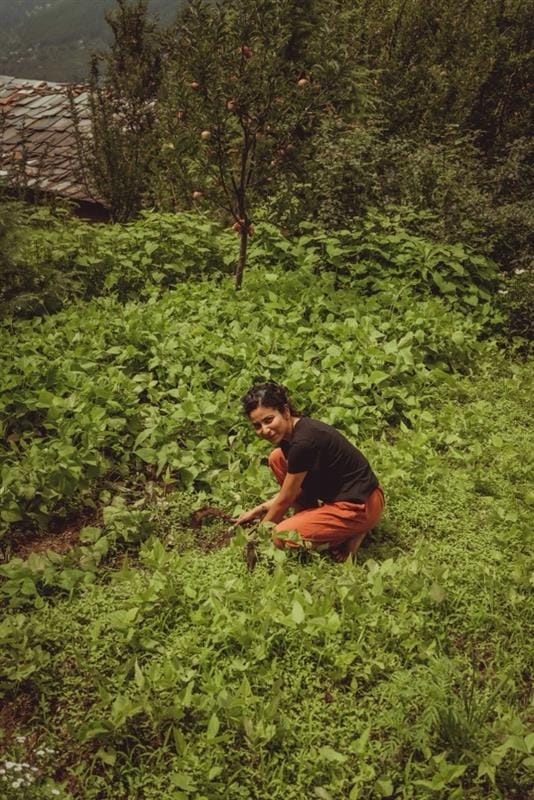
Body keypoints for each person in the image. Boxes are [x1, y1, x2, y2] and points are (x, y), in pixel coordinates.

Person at [235, 381, 384, 561]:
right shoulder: (291, 434)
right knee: (277, 458)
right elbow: (294, 492)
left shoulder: (303, 443)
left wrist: (258, 537)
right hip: (343, 497)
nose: (264, 430)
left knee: (279, 536)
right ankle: (314, 520)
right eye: (257, 426)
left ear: (285, 412)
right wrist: (259, 509)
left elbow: (286, 499)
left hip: (361, 506)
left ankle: (351, 532)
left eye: (269, 420)